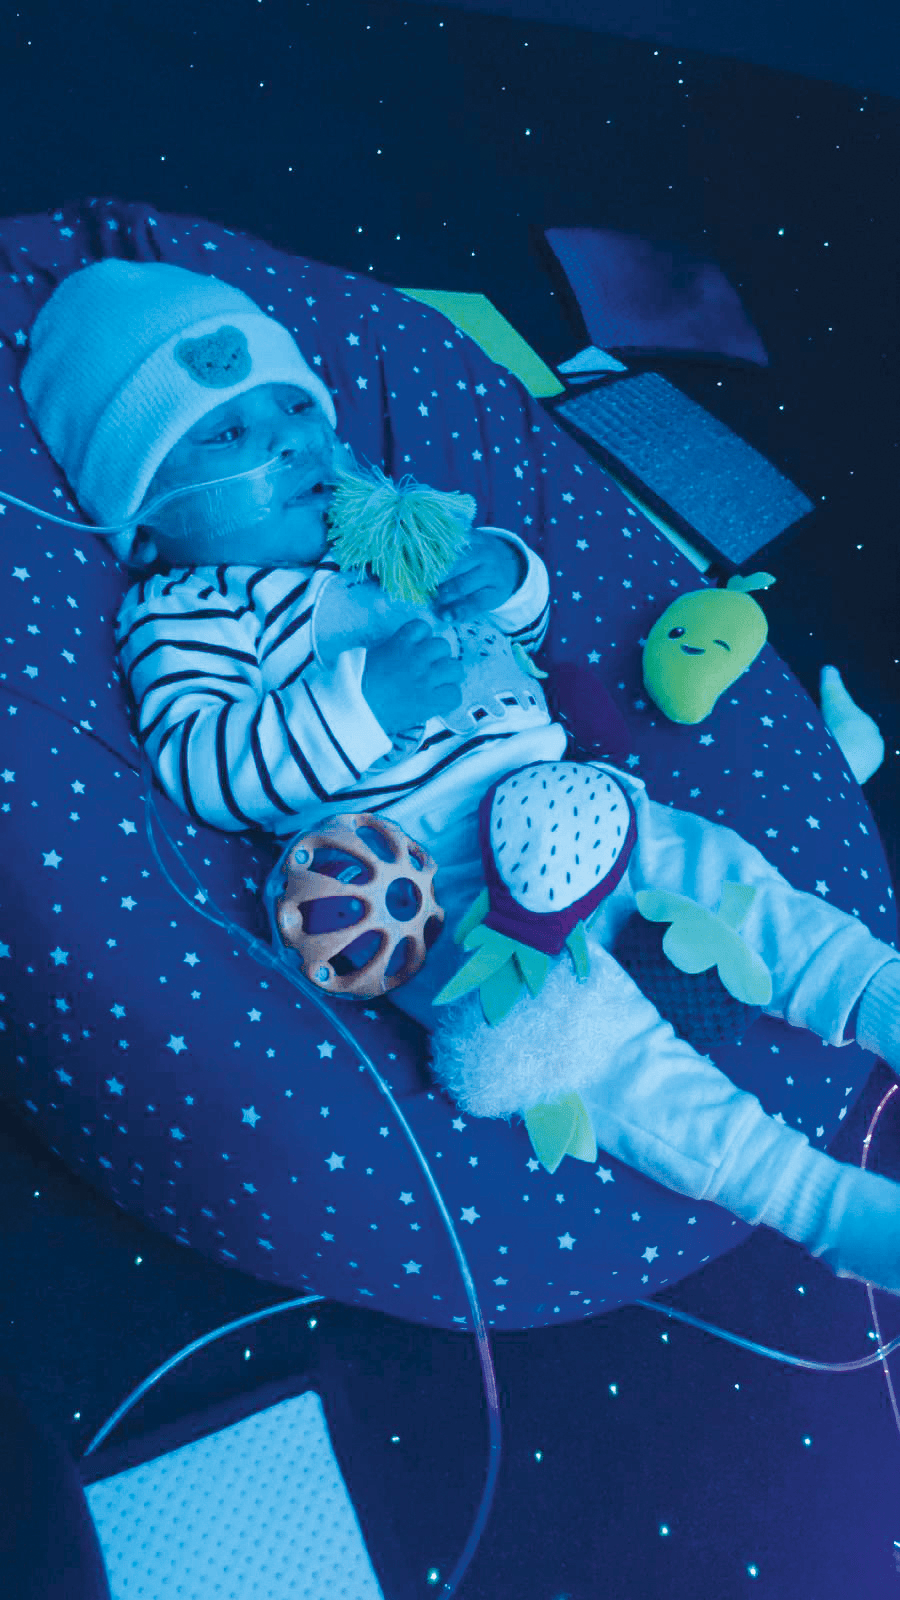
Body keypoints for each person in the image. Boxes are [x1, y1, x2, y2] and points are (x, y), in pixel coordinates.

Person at [20, 259, 900, 1298]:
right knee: (573, 1037)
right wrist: (363, 705)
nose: (291, 442)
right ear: (145, 517)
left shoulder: (380, 523)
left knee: (725, 870)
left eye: (297, 406)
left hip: (569, 803)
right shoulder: (189, 608)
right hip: (436, 880)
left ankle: (874, 991)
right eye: (227, 436)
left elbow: (525, 626)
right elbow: (203, 765)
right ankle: (814, 1200)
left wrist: (504, 574)